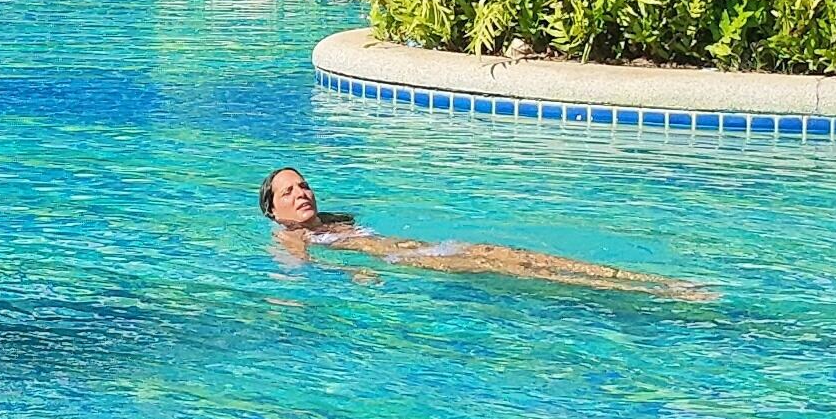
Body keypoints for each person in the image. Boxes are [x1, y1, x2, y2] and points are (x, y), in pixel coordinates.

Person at [258, 168, 716, 302]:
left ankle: (649, 283)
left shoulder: (335, 225)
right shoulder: (291, 240)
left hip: (437, 250)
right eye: (289, 191)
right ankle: (661, 292)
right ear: (273, 209)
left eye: (304, 185)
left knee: (531, 259)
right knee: (537, 276)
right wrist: (356, 274)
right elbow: (308, 270)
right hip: (421, 261)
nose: (302, 193)